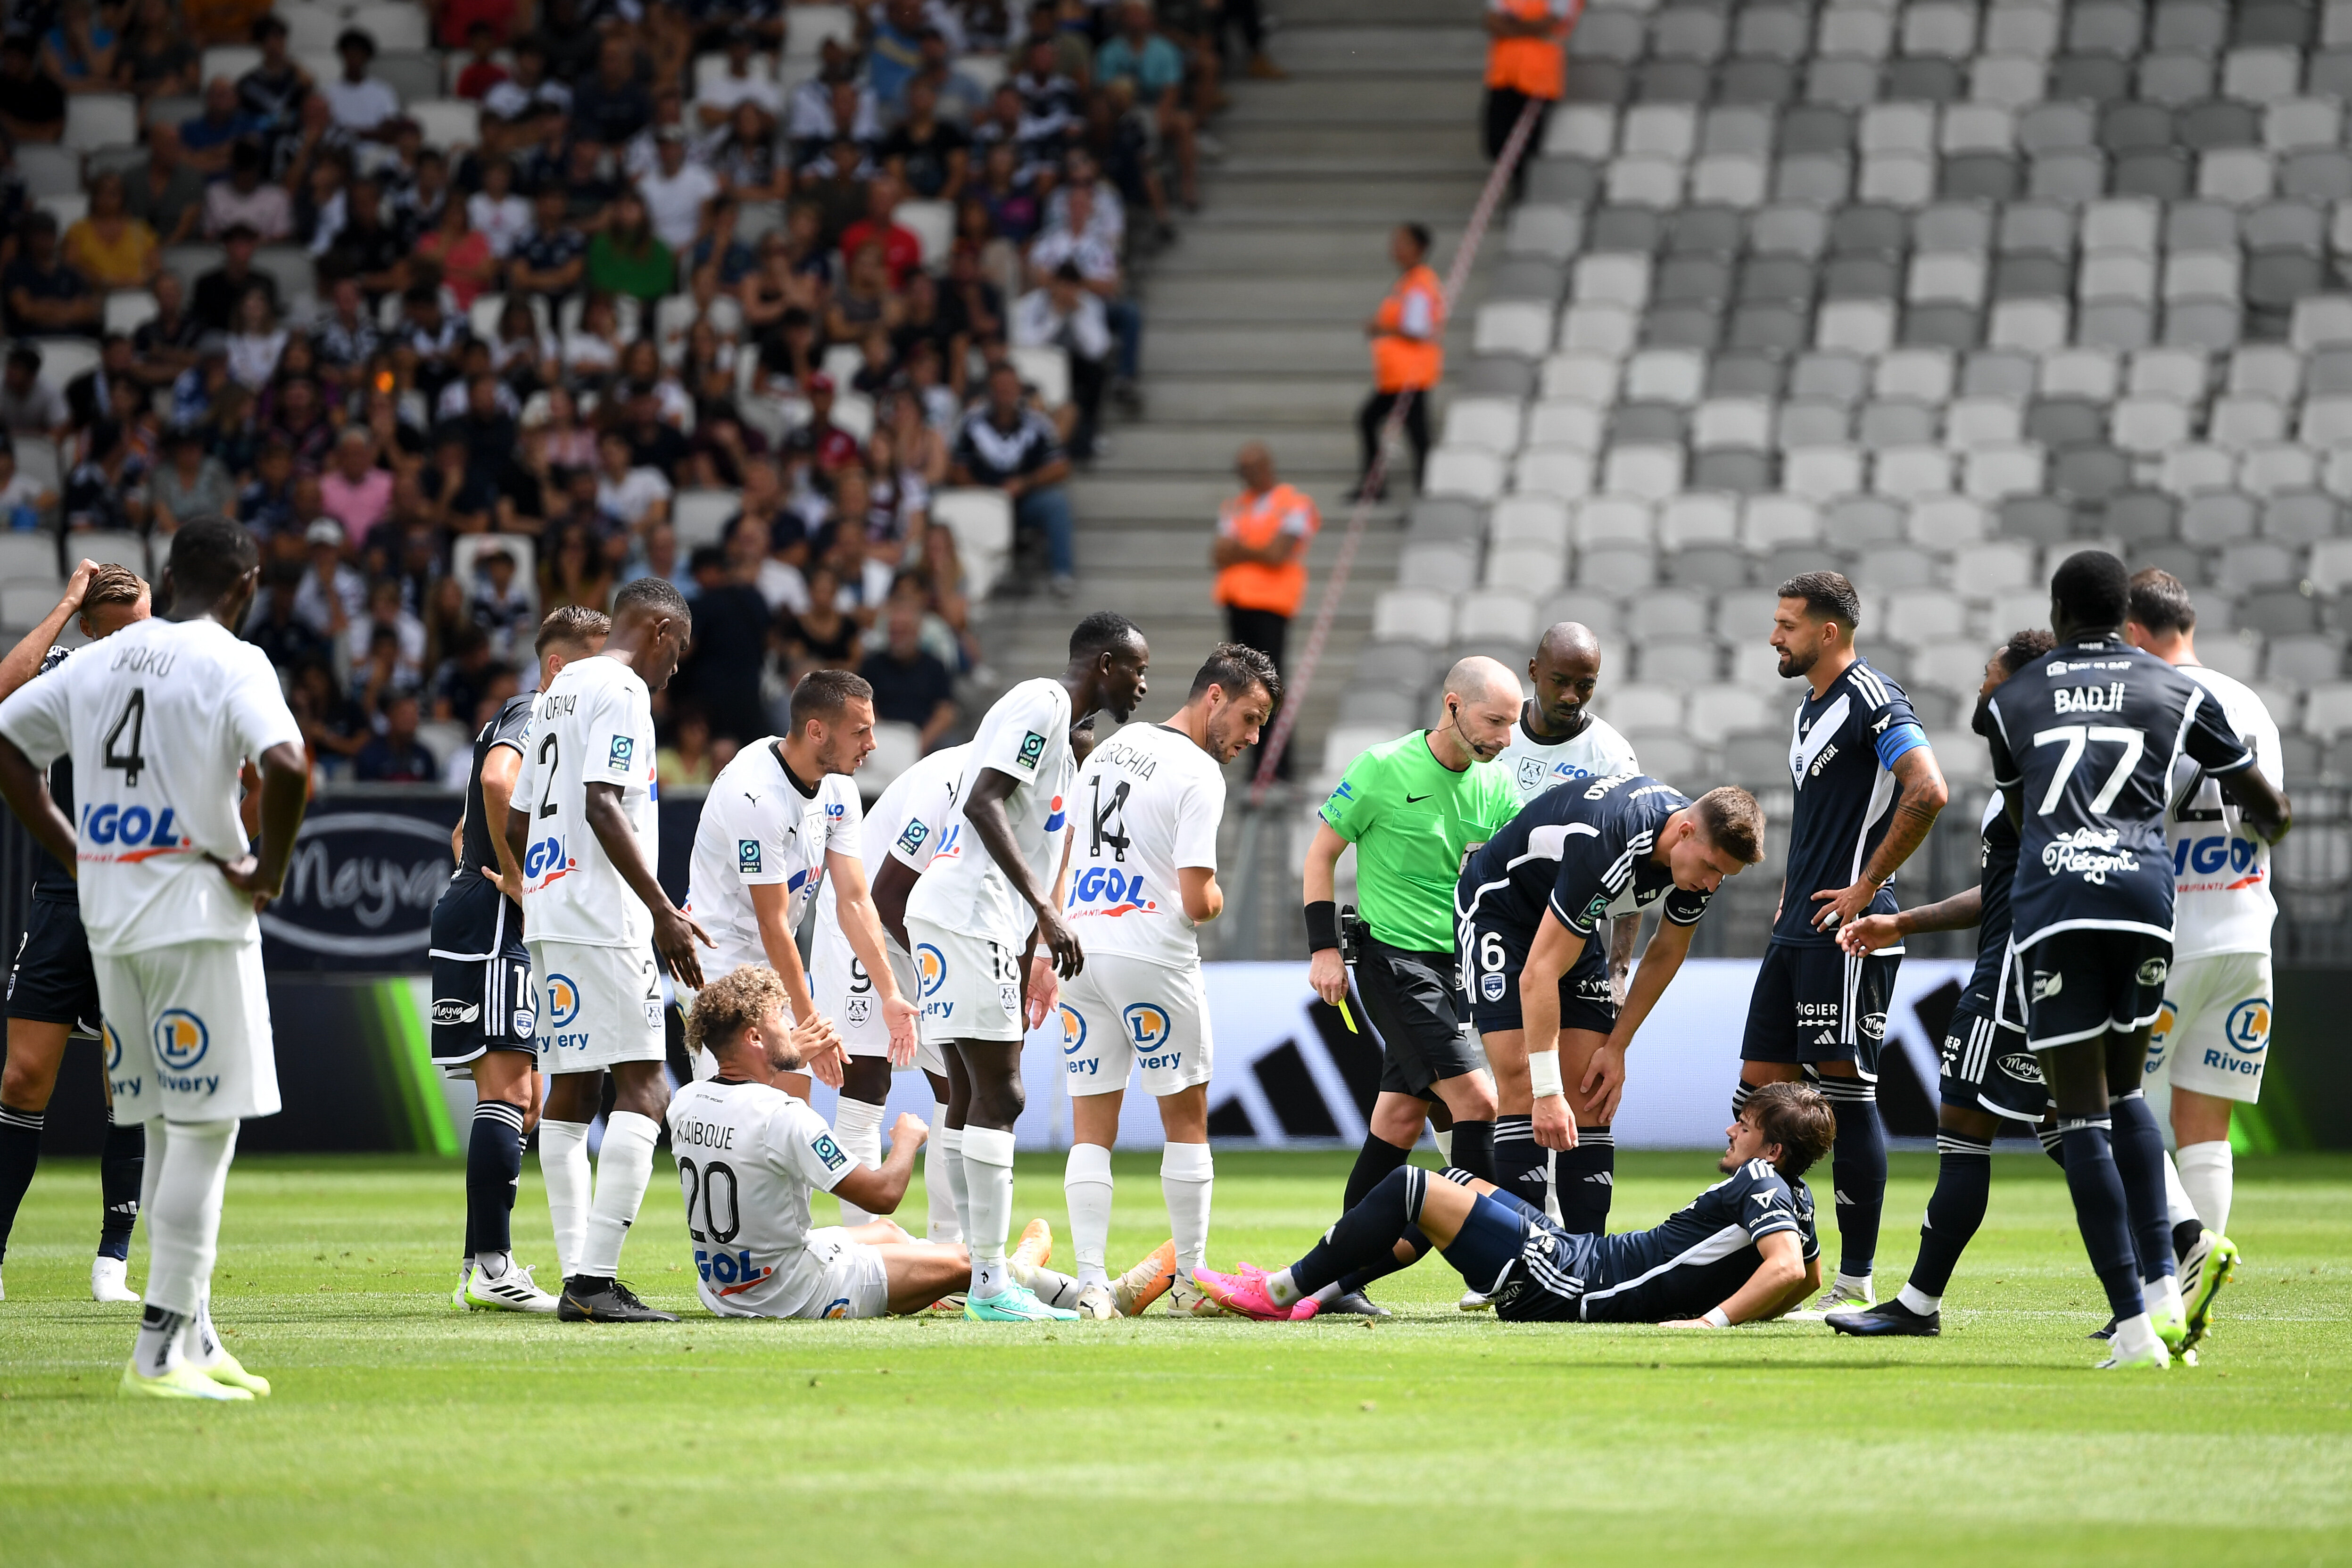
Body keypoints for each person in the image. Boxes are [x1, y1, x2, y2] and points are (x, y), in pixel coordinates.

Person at [0, 519, 308, 1400]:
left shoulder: (95, 661)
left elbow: (7, 744)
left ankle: (198, 1333)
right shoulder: (232, 659)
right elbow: (288, 763)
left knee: (168, 1124)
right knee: (204, 1131)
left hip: (109, 922)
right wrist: (267, 868)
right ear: (246, 586)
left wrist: (73, 852)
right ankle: (159, 1349)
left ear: (168, 575)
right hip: (195, 920)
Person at [1975, 551, 2288, 1369]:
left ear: (2056, 610)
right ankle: (2162, 1294)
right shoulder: (2182, 692)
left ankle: (2132, 1326)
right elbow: (2266, 806)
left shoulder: (2010, 701)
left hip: (2060, 911)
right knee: (2127, 1098)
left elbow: (2019, 815)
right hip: (2150, 907)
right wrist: (2272, 822)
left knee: (2078, 1114)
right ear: (2123, 615)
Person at [904, 611, 1151, 1321]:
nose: (1142, 683)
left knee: (967, 1090)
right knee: (1002, 1093)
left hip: (966, 915)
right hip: (966, 909)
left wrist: (1027, 940)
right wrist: (1046, 910)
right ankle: (988, 1284)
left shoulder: (1065, 747)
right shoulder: (1042, 700)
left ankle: (965, 1266)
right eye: (1136, 667)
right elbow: (983, 799)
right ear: (1104, 664)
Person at [1826, 631, 2059, 1340]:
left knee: (1965, 1126)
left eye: (1990, 677)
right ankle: (2153, 1279)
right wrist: (1903, 926)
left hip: (2014, 973)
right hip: (2041, 966)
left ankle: (1919, 1304)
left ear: (2019, 689)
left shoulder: (2036, 771)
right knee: (2069, 1127)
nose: (1980, 688)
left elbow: (2019, 895)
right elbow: (2000, 887)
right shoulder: (2038, 770)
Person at [1197, 1082, 1835, 1328]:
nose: (1731, 1132)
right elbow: (1806, 1275)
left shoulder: (1759, 1180)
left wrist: (1709, 1322)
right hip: (1582, 1259)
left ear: (1772, 1149)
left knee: (1410, 1186)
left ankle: (1282, 1292)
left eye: (1744, 1126)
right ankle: (1324, 1290)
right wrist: (1715, 1299)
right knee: (1455, 1178)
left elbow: (1782, 1269)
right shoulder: (1793, 1195)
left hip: (1574, 1284)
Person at [1739, 570, 1947, 1318]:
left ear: (1829, 632)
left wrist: (1864, 888)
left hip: (1848, 933)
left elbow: (1928, 790)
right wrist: (1797, 887)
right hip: (1799, 928)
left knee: (1846, 1098)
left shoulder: (1874, 698)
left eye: (1787, 624)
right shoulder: (1810, 708)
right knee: (1758, 1101)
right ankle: (1782, 1261)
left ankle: (1855, 1279)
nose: (1774, 636)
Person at [670, 965, 1104, 1320]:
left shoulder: (686, 1102)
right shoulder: (784, 1117)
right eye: (779, 1020)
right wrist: (907, 1141)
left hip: (724, 1288)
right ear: (755, 1038)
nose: (791, 1027)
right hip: (794, 1291)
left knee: (887, 1234)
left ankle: (1017, 1273)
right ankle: (1086, 1296)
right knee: (970, 1264)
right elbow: (883, 1194)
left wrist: (778, 1061)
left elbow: (744, 1108)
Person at [505, 577, 707, 1325]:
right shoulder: (621, 689)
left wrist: (546, 892)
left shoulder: (558, 689)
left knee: (573, 1088)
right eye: (677, 649)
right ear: (657, 630)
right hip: (604, 916)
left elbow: (522, 821)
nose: (676, 667)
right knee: (647, 1085)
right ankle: (594, 1278)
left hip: (554, 914)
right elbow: (602, 801)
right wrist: (661, 911)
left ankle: (574, 1270)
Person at [1054, 644, 1278, 1318]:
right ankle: (1187, 1285)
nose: (1252, 737)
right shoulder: (1200, 775)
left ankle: (1092, 1282)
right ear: (1215, 696)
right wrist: (1215, 899)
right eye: (1249, 716)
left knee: (1091, 1127)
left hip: (1079, 946)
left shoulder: (1114, 749)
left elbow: (1065, 844)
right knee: (1186, 1121)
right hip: (1149, 953)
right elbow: (1194, 896)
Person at [1455, 776, 1764, 1263]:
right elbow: (1537, 973)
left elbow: (1666, 951)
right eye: (1708, 868)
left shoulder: (1701, 860)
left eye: (1721, 876)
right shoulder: (1610, 841)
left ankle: (1588, 1264)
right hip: (1501, 910)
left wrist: (1616, 1046)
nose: (1709, 883)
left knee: (1591, 1092)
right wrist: (1545, 1090)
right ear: (1683, 832)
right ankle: (1519, 1267)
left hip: (1571, 920)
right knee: (1520, 1080)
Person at [1300, 656, 1519, 1314]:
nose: (1505, 737)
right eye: (1494, 721)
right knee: (1479, 1100)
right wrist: (1324, 951)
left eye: (1512, 724)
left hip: (1460, 971)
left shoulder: (1498, 786)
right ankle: (1493, 1267)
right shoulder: (1382, 767)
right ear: (1452, 705)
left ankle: (1339, 1279)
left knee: (1398, 1120)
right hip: (1393, 963)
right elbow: (1320, 856)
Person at [430, 607, 609, 1314]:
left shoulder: (545, 716)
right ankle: (493, 1267)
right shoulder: (536, 709)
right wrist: (517, 876)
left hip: (488, 908)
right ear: (562, 667)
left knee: (524, 1098)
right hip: (498, 912)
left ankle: (481, 1259)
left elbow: (461, 827)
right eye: (597, 665)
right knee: (508, 1092)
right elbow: (499, 784)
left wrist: (485, 865)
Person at [2122, 567, 2278, 1346]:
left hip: (2167, 934)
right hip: (2246, 930)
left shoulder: (2146, 700)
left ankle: (2172, 1268)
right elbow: (2270, 816)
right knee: (2203, 1124)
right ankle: (2189, 1304)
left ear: (2133, 632)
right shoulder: (2248, 704)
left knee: (2117, 1105)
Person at [0, 564, 151, 1307]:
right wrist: (63, 601)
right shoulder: (65, 669)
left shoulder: (174, 676)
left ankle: (112, 1263)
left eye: (146, 621)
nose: (137, 638)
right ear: (93, 628)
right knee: (23, 1078)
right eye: (121, 626)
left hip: (137, 906)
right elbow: (2, 690)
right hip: (65, 898)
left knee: (129, 1083)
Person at [682, 670, 915, 1096]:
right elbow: (772, 922)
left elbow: (856, 901)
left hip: (774, 963)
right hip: (720, 958)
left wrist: (890, 995)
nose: (872, 744)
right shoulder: (757, 796)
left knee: (791, 1110)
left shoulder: (840, 791)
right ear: (816, 731)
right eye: (860, 731)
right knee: (738, 1104)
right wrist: (813, 1026)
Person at [807, 740, 970, 1246]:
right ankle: (863, 1247)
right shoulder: (952, 776)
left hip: (924, 928)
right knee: (867, 1081)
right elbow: (885, 892)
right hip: (862, 917)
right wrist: (939, 970)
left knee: (958, 1090)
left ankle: (950, 1251)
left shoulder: (1034, 786)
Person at [1209, 441, 1317, 778]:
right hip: (1237, 603)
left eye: (1251, 468)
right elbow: (1218, 554)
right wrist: (1256, 549)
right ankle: (1256, 767)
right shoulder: (1236, 506)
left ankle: (1278, 768)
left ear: (1267, 466)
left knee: (1269, 686)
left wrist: (1242, 549)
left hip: (1272, 606)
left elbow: (1277, 554)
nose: (1246, 476)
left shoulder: (1294, 504)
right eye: (1242, 470)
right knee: (1242, 686)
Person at [950, 361, 1077, 598]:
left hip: (1024, 500)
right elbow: (957, 469)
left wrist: (1025, 483)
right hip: (983, 500)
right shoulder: (971, 422)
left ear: (1020, 389)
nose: (1005, 393)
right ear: (990, 390)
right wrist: (985, 494)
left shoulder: (1038, 423)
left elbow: (1061, 466)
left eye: (1010, 387)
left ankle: (1063, 573)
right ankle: (983, 578)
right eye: (1000, 387)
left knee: (1056, 502)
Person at [1356, 223, 1441, 499]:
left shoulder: (1420, 284)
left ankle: (1422, 495)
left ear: (1419, 248)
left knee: (1417, 437)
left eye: (1402, 242)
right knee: (1370, 421)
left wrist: (1380, 328)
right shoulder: (1407, 282)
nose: (1394, 248)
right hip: (1396, 376)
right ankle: (1377, 486)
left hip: (1411, 376)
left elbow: (1417, 329)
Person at [1481, 0, 1571, 184]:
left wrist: (1511, 27)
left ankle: (1523, 191)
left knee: (1527, 145)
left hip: (1538, 78)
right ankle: (1518, 185)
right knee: (1496, 142)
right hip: (1504, 75)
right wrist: (1530, 29)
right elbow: (1491, 21)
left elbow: (1553, 20)